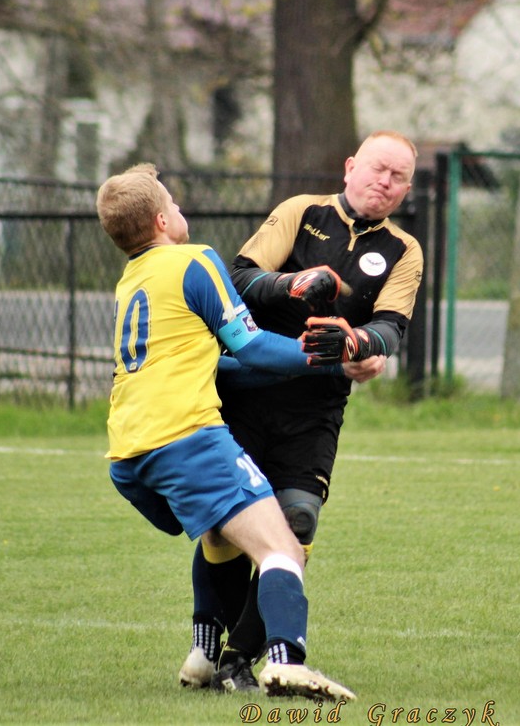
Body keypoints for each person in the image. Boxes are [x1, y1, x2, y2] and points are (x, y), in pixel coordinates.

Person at [97, 162, 356, 703]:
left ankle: (201, 654)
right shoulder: (195, 259)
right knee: (282, 547)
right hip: (186, 438)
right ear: (165, 219)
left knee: (220, 534)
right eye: (176, 201)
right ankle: (287, 661)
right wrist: (327, 358)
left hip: (128, 455)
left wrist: (314, 365)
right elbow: (253, 345)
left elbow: (220, 365)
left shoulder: (133, 280)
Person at [180, 131, 423, 692]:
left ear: (407, 188)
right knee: (226, 527)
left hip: (315, 407)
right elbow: (240, 278)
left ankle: (240, 658)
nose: (385, 183)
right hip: (246, 391)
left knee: (297, 522)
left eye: (399, 177)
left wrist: (358, 345)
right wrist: (294, 284)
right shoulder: (300, 212)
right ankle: (204, 641)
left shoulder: (404, 250)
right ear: (350, 166)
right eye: (378, 169)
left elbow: (391, 328)